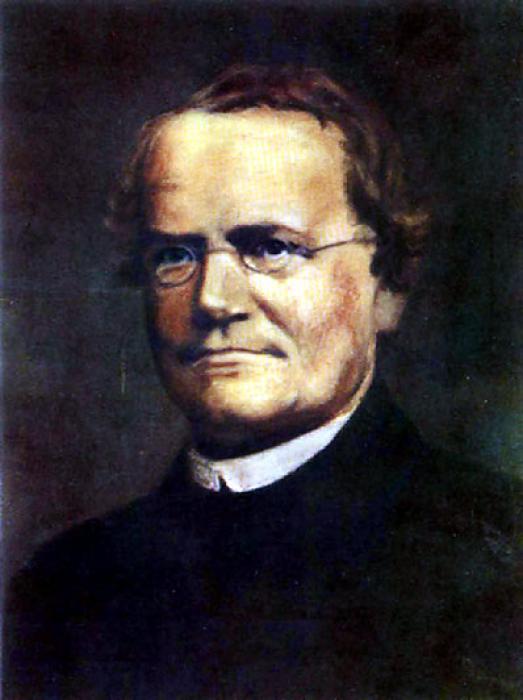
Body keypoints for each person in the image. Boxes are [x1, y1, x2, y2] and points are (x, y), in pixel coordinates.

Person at [6, 65, 521, 699]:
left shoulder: (497, 564)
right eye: (175, 255)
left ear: (387, 286)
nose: (214, 299)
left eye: (271, 247)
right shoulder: (62, 590)